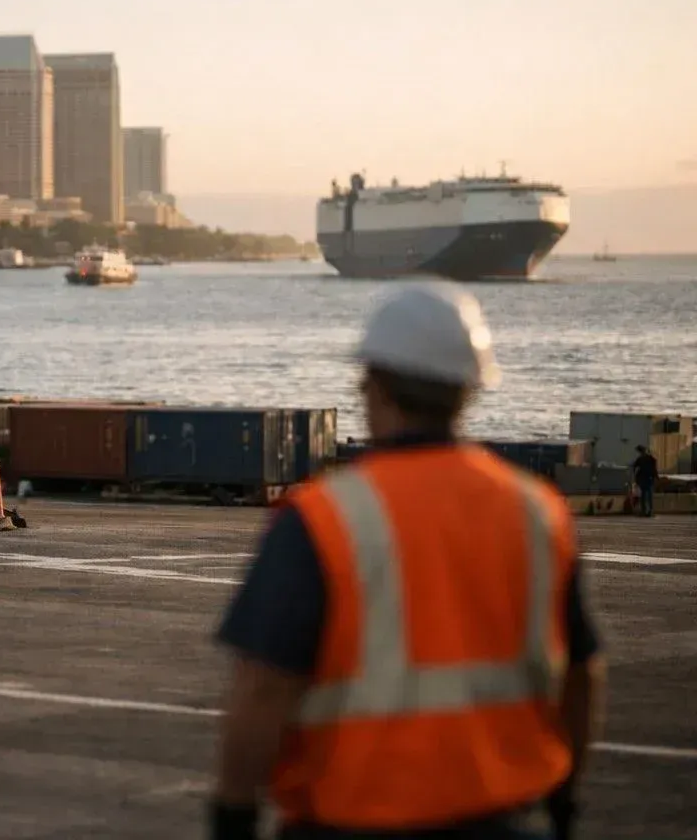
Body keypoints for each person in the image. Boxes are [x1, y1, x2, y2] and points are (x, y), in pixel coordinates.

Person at [209, 280, 606, 840]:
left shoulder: (321, 516)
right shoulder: (537, 511)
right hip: (501, 821)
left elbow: (264, 687)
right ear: (469, 391)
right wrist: (565, 803)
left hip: (350, 820)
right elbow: (582, 675)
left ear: (374, 385)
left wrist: (232, 813)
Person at [631, 444, 657, 518]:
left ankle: (644, 510)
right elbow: (654, 468)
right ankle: (650, 511)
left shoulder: (640, 459)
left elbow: (635, 468)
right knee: (649, 495)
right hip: (649, 478)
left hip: (642, 479)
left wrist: (636, 479)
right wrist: (655, 477)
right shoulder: (651, 458)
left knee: (643, 495)